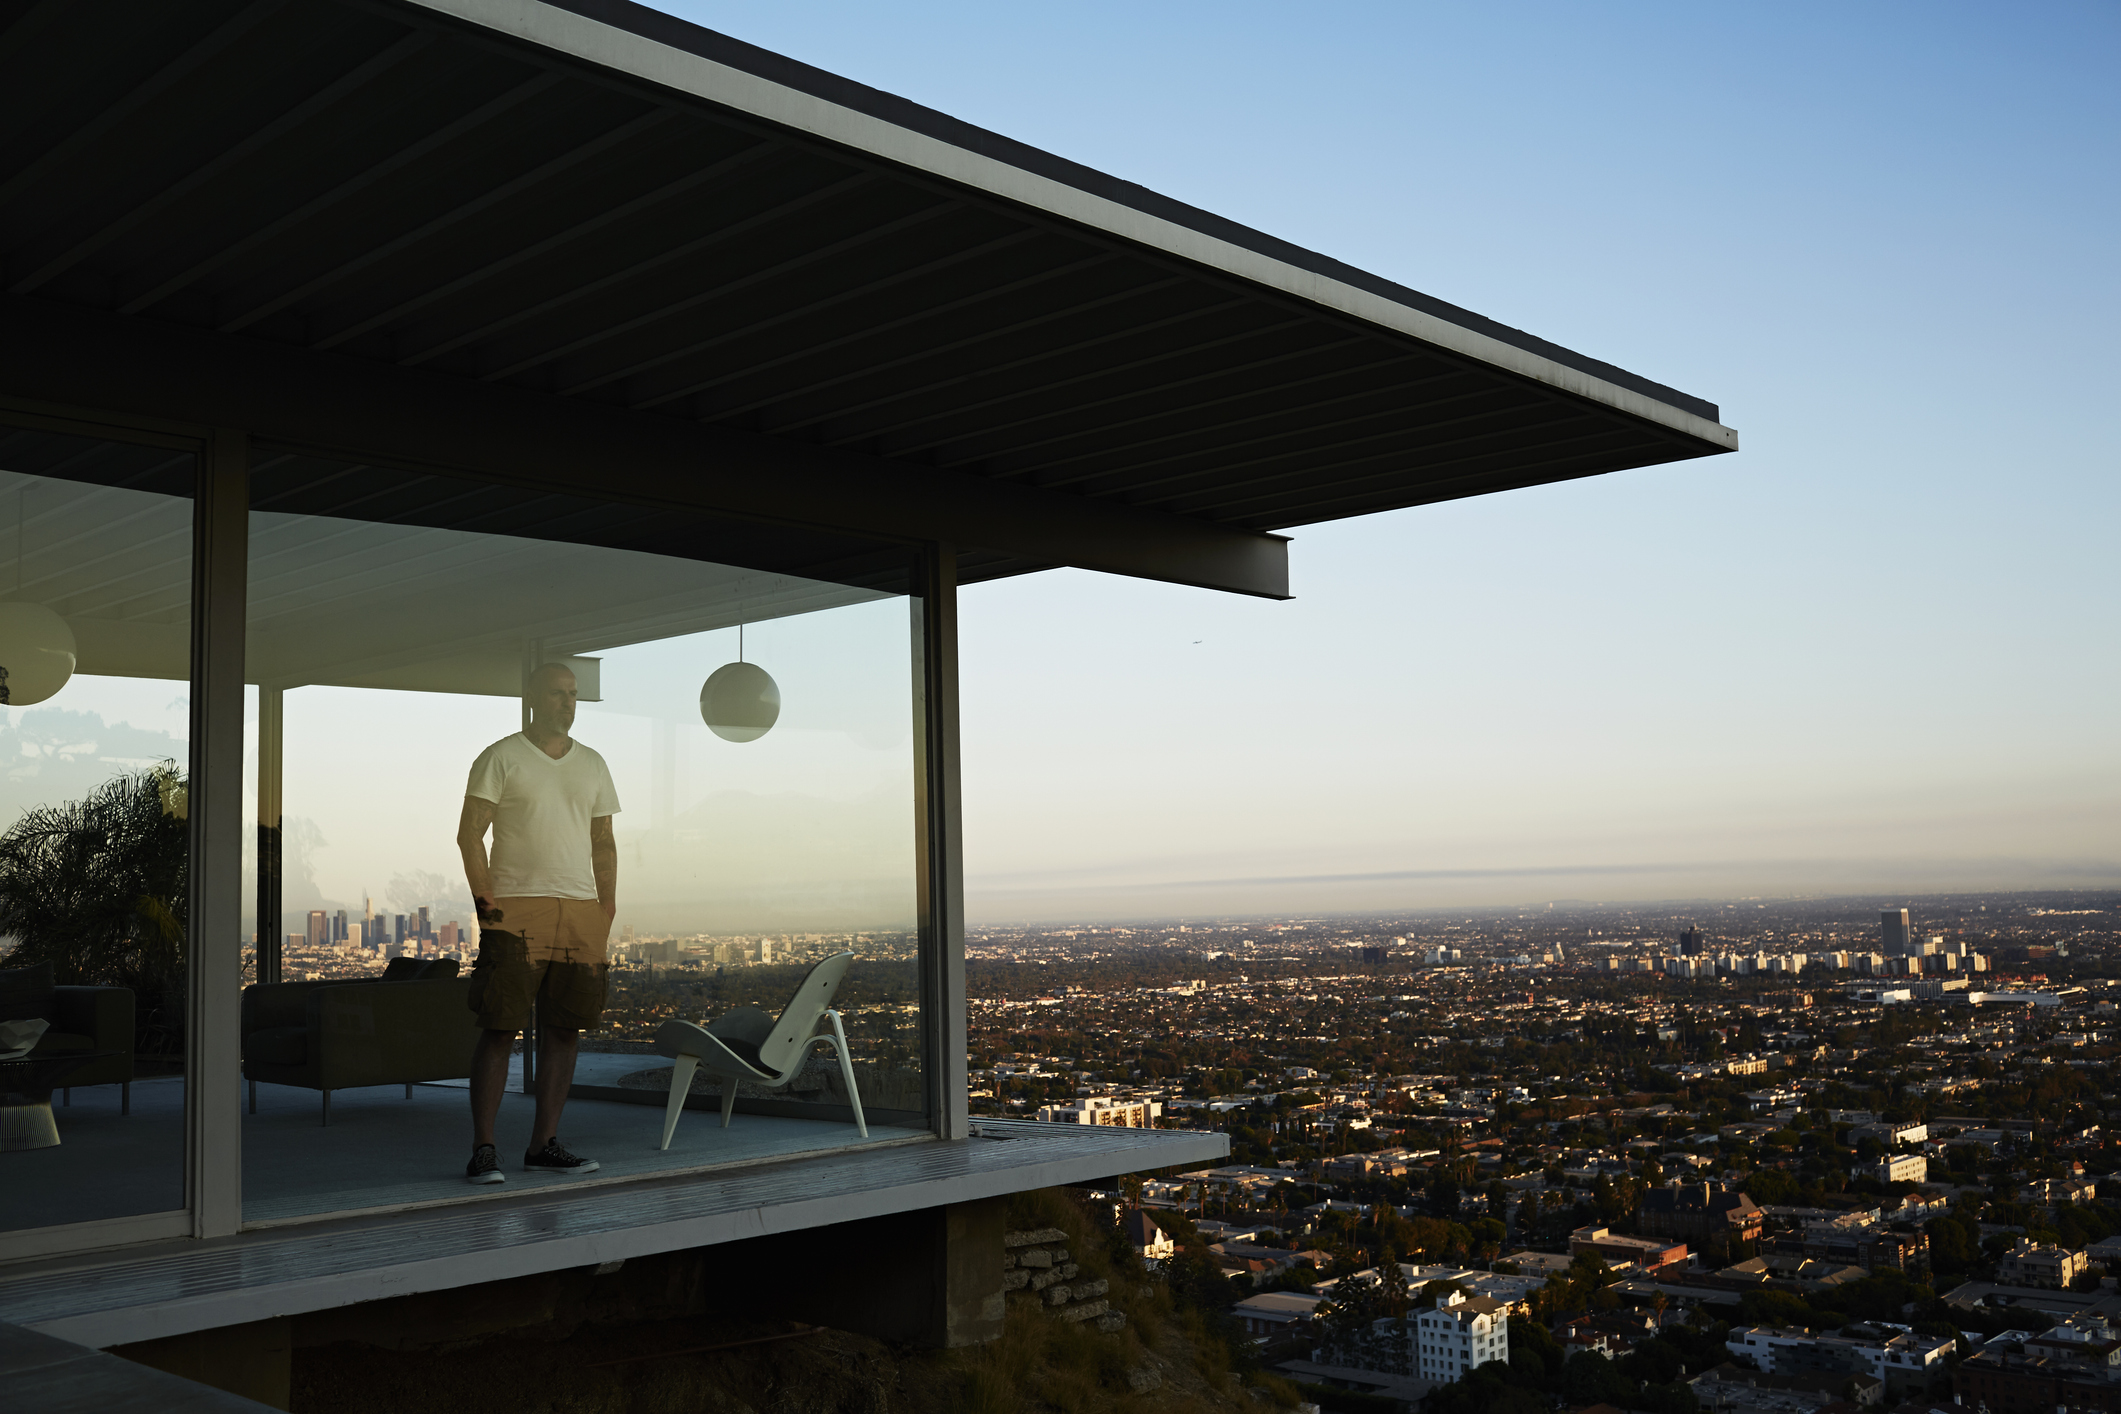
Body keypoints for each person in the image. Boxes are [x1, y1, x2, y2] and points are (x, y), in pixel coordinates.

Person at [456, 662, 620, 1184]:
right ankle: (484, 1149)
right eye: (557, 693)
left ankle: (543, 1144)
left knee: (565, 1030)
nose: (567, 703)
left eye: (573, 695)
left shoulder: (593, 764)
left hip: (579, 911)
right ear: (532, 696)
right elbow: (469, 834)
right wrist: (488, 905)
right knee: (501, 1027)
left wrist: (606, 909)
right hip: (516, 909)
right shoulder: (501, 757)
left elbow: (604, 842)